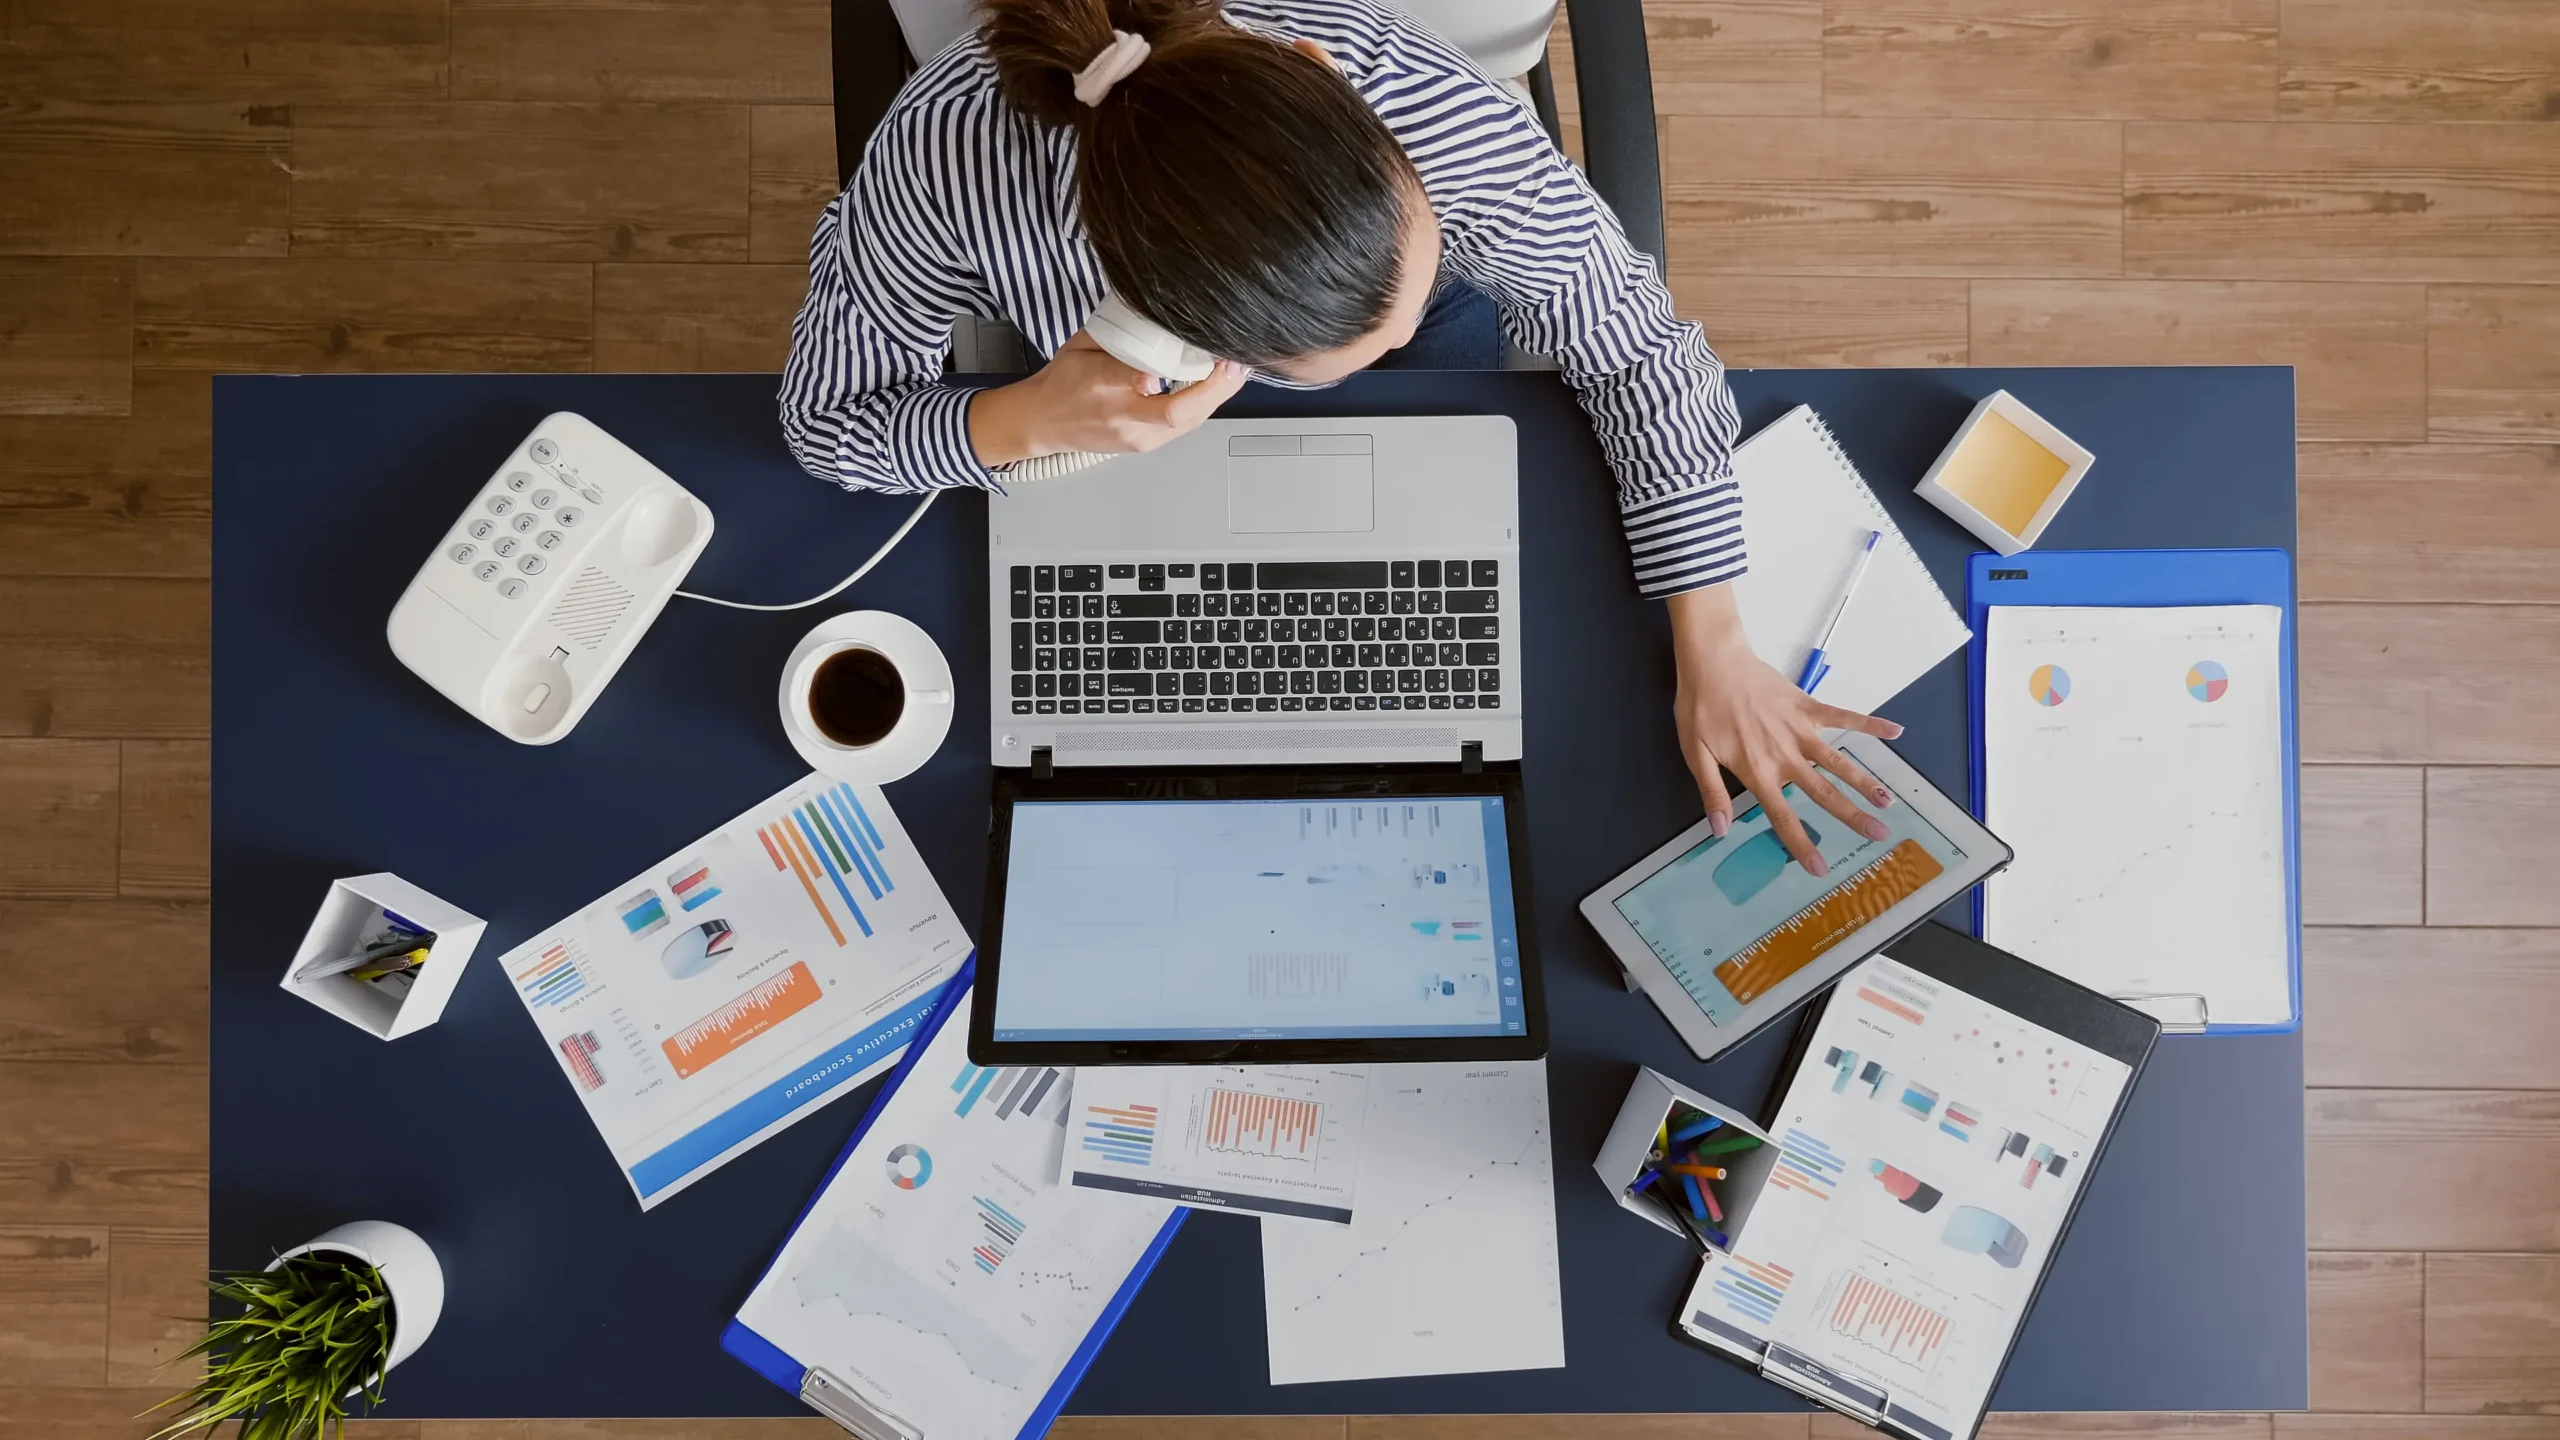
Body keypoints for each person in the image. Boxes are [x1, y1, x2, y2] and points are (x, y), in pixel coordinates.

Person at [780, 0, 1903, 870]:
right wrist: (1017, 418)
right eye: (1327, 364)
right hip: (1110, 402)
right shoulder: (940, 169)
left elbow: (1634, 343)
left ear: (1326, 82)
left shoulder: (1433, 114)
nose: (1393, 339)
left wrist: (1713, 639)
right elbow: (825, 424)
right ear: (1140, 309)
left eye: (1399, 304)